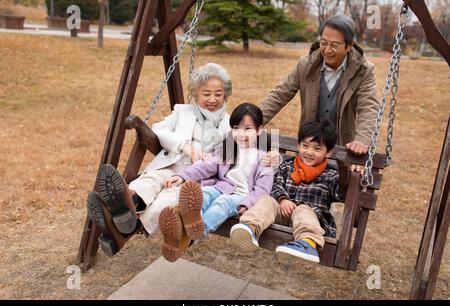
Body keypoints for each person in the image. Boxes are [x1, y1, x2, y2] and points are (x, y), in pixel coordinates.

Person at [87, 62, 233, 257]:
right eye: (206, 94)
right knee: (151, 180)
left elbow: (228, 159)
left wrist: (208, 161)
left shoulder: (230, 124)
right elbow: (158, 129)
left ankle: (122, 226)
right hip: (171, 163)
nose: (213, 99)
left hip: (195, 179)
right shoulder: (183, 112)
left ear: (225, 94)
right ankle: (130, 201)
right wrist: (184, 146)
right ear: (196, 94)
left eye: (218, 94)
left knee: (168, 199)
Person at [230, 119, 363, 264]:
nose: (309, 152)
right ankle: (250, 228)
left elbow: (341, 193)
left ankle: (307, 244)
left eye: (317, 149)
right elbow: (275, 184)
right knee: (267, 200)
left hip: (311, 222)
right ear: (298, 145)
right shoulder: (287, 166)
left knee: (303, 209)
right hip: (282, 215)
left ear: (329, 152)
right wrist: (283, 199)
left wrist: (350, 175)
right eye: (305, 146)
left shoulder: (330, 175)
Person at [157, 103, 275, 262]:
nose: (241, 134)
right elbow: (207, 164)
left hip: (242, 196)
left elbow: (262, 189)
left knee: (222, 203)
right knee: (204, 194)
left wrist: (247, 204)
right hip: (221, 187)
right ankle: (179, 222)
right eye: (236, 128)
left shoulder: (264, 158)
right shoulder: (228, 148)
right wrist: (184, 176)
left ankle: (191, 236)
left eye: (247, 128)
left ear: (259, 130)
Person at [260, 14, 379, 156]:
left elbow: (368, 107)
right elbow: (280, 94)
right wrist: (254, 121)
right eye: (323, 43)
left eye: (334, 45)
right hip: (310, 147)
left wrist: (362, 140)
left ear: (349, 45)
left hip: (341, 147)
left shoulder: (363, 70)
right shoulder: (306, 64)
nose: (327, 50)